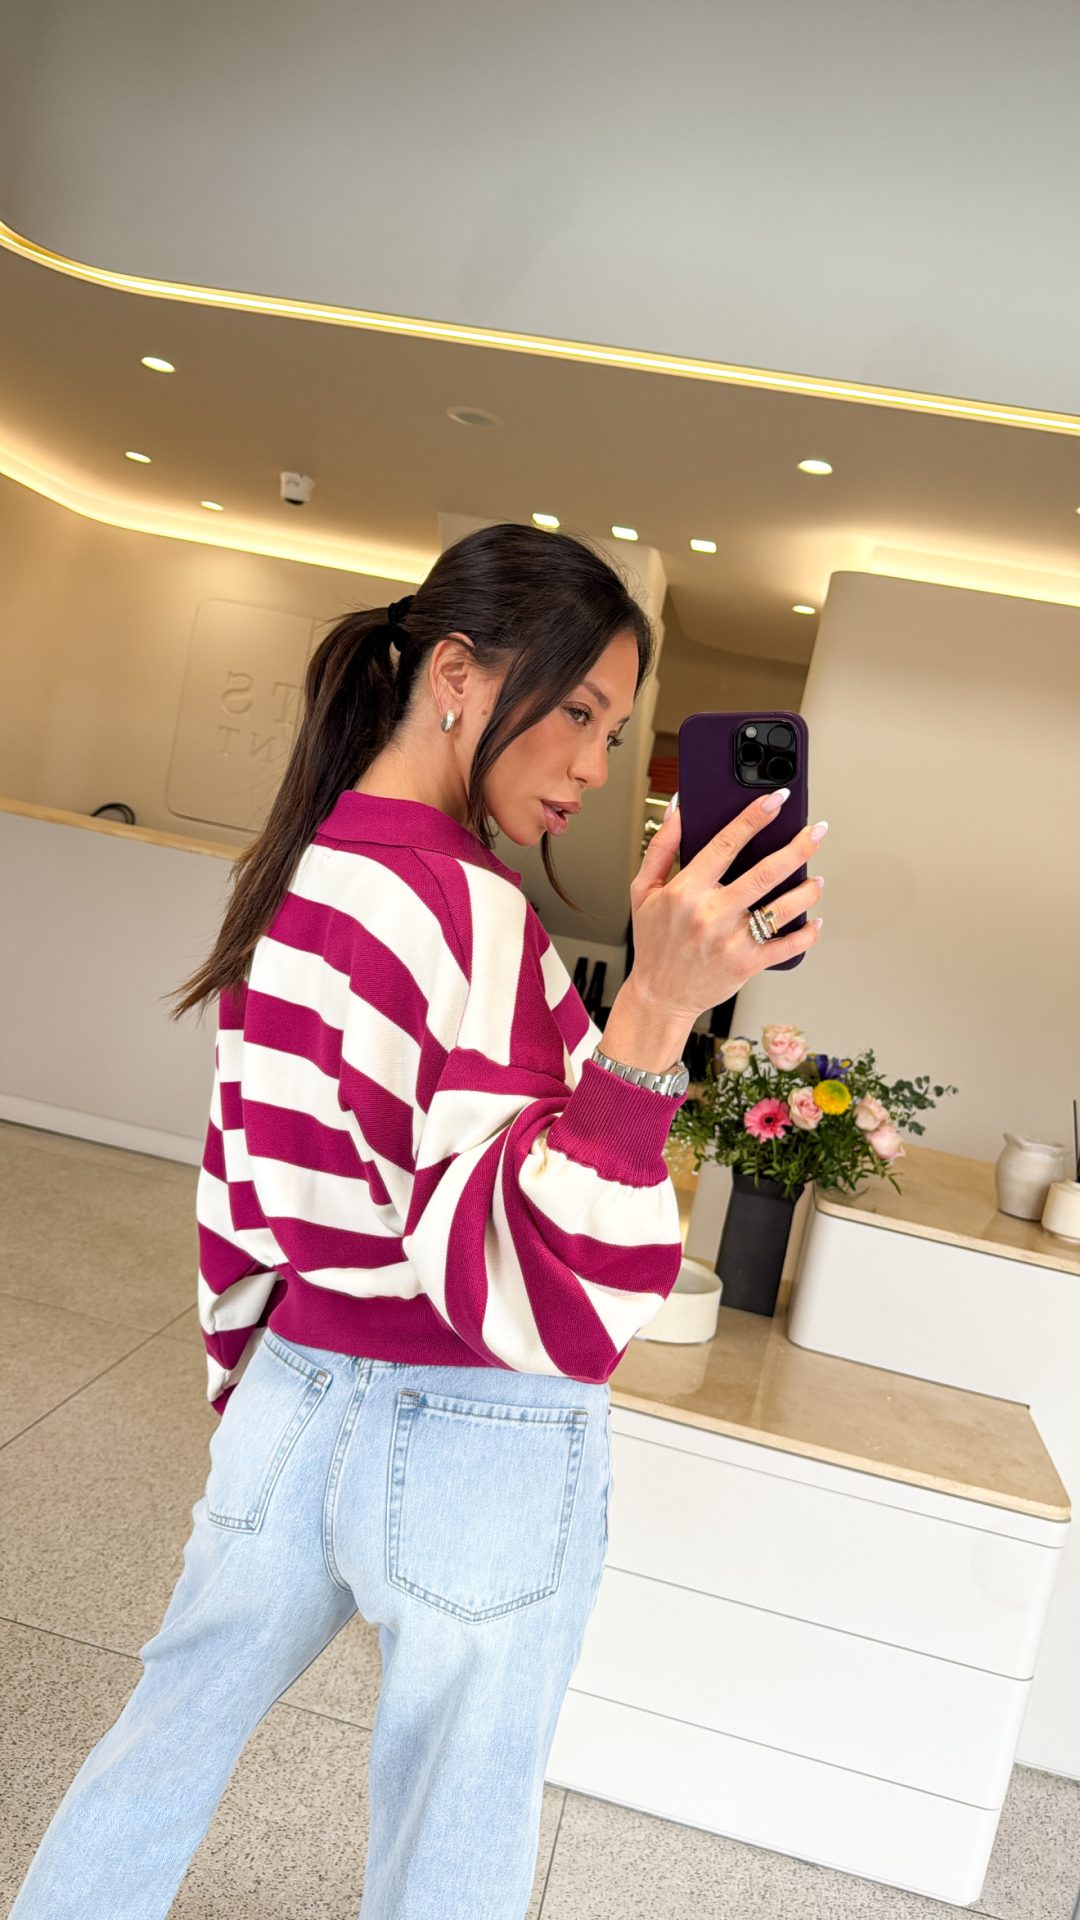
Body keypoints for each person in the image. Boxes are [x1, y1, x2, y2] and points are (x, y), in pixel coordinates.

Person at [10, 521, 824, 1919]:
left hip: (295, 1390)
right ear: (457, 673)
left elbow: (240, 1182)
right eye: (579, 712)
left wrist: (263, 1388)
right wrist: (652, 1010)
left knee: (159, 1753)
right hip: (480, 1433)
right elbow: (561, 1293)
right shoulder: (475, 911)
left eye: (614, 729)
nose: (594, 765)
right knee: (453, 1836)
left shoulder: (306, 869)